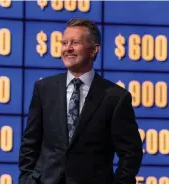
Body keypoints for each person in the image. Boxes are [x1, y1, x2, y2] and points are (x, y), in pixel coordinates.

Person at [18, 18, 143, 184]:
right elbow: (30, 144)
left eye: (75, 42)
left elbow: (131, 153)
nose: (67, 48)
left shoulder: (116, 97)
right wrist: (27, 180)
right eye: (64, 43)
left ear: (94, 50)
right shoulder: (44, 89)